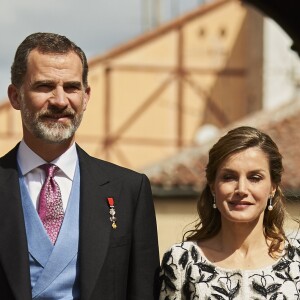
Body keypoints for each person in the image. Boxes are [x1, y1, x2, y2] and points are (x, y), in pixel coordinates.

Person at [0, 32, 160, 300]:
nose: (60, 101)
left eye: (72, 87)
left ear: (86, 96)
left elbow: (143, 291)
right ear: (16, 96)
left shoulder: (128, 191)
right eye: (44, 86)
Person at [159, 126, 300, 299]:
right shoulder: (182, 260)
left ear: (272, 187)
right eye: (229, 177)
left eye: (255, 178)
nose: (241, 189)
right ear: (212, 187)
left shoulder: (297, 256)